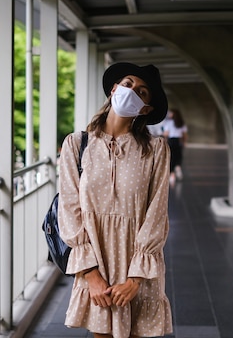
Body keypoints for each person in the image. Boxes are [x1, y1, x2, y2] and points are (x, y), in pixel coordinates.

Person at [57, 62, 173, 338]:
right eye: (128, 84)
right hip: (97, 263)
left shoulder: (156, 150)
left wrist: (135, 279)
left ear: (146, 108)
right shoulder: (76, 144)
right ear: (113, 89)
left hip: (138, 265)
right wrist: (91, 275)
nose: (132, 91)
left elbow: (157, 213)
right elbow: (70, 209)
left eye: (142, 92)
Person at [162, 109, 188, 185]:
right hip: (178, 141)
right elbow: (184, 134)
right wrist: (184, 142)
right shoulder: (181, 123)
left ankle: (172, 174)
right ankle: (178, 167)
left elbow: (166, 134)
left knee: (171, 158)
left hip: (171, 141)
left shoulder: (169, 123)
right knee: (178, 156)